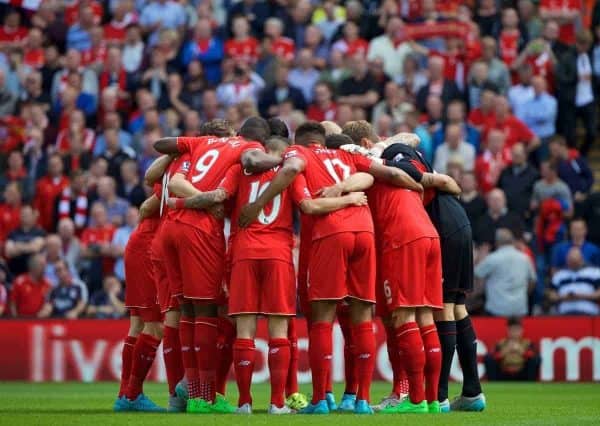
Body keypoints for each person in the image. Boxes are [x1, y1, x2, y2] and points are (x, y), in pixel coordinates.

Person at [174, 135, 373, 414]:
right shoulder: (290, 174)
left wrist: (185, 204)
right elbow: (309, 205)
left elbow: (221, 199)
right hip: (278, 254)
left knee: (245, 330)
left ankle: (244, 402)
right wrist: (349, 197)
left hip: (244, 253)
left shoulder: (238, 171)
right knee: (279, 330)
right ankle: (277, 403)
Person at [237, 121, 422, 415]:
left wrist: (259, 203)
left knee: (323, 316)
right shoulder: (348, 154)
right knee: (363, 315)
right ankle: (361, 400)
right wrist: (417, 186)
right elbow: (386, 174)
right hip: (365, 232)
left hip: (330, 235)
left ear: (300, 141)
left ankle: (321, 399)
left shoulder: (299, 154)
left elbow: (304, 198)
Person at [152, 117, 282, 414]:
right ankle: (203, 397)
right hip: (200, 231)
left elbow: (162, 150)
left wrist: (185, 200)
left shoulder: (197, 144)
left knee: (187, 310)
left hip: (170, 228)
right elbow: (249, 163)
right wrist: (285, 157)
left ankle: (186, 393)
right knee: (208, 311)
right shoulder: (246, 148)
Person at [353, 129, 486, 413]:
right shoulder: (403, 151)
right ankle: (470, 391)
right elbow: (411, 139)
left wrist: (385, 155)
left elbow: (408, 159)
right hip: (453, 225)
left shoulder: (386, 157)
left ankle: (432, 396)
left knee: (435, 310)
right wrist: (437, 179)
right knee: (453, 306)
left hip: (434, 227)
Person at [475, 228, 536, 317]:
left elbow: (477, 273)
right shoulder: (525, 258)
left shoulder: (492, 258)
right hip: (519, 308)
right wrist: (524, 293)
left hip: (496, 309)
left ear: (496, 242)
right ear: (512, 241)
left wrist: (481, 256)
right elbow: (533, 281)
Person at [549, 247, 600, 315]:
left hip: (588, 315)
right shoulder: (559, 275)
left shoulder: (594, 272)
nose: (573, 263)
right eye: (571, 261)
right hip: (564, 315)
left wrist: (581, 296)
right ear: (567, 260)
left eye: (575, 261)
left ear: (582, 259)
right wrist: (565, 297)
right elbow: (550, 295)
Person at [4, 205, 46, 276]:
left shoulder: (40, 232)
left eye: (27, 214)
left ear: (33, 216)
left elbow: (35, 248)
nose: (24, 216)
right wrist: (28, 246)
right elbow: (8, 252)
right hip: (14, 272)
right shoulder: (13, 233)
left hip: (33, 273)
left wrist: (18, 246)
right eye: (22, 214)